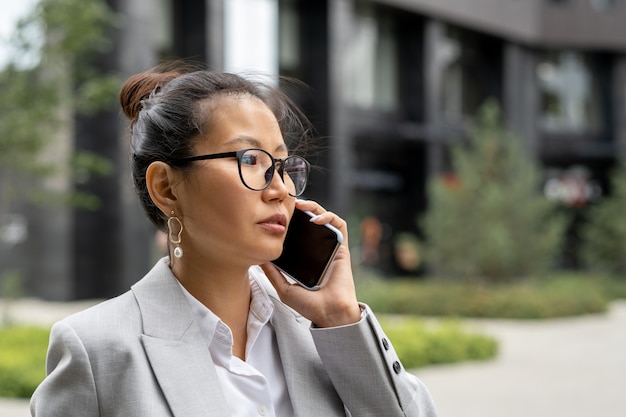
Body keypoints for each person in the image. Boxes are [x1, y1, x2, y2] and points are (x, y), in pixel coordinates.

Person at [30, 63, 437, 417]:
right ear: (166, 188)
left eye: (282, 165)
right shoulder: (97, 350)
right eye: (250, 160)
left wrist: (340, 318)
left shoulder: (325, 335)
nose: (280, 188)